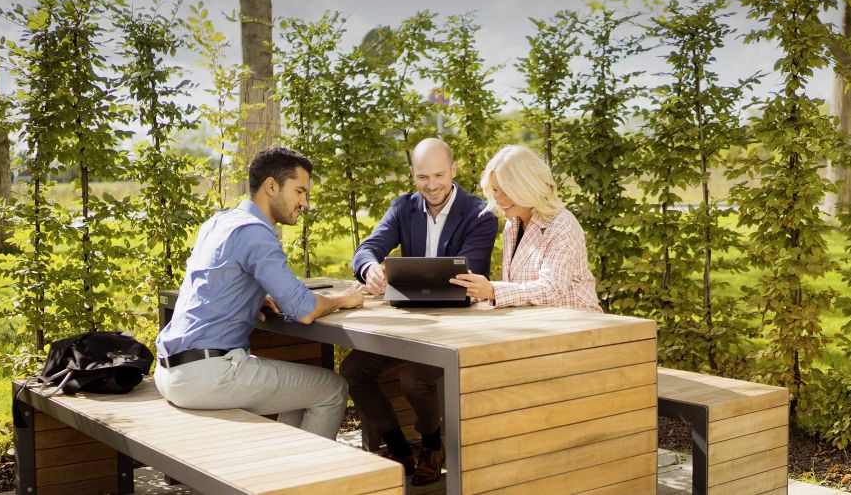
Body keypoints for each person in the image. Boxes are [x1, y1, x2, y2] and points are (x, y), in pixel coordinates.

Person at [155, 147, 365, 439]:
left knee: (301, 390)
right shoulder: (255, 232)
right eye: (300, 191)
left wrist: (255, 297)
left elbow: (215, 281)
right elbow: (304, 310)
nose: (305, 202)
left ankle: (285, 476)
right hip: (207, 375)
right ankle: (306, 482)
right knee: (332, 389)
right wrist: (344, 299)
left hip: (169, 371)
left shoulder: (219, 222)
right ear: (271, 186)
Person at [341, 137, 498, 485]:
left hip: (457, 326)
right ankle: (399, 448)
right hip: (408, 323)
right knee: (353, 369)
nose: (432, 185)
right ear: (412, 174)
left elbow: (466, 273)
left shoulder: (479, 215)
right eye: (423, 177)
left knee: (414, 378)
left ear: (454, 170)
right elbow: (367, 248)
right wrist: (370, 270)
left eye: (439, 175)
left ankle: (431, 445)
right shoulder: (403, 208)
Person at [450, 144, 601, 313]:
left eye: (505, 191)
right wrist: (479, 291)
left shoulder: (562, 223)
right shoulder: (513, 224)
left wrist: (493, 290)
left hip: (579, 324)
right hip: (534, 323)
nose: (498, 199)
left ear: (527, 187)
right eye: (494, 190)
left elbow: (551, 289)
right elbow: (520, 287)